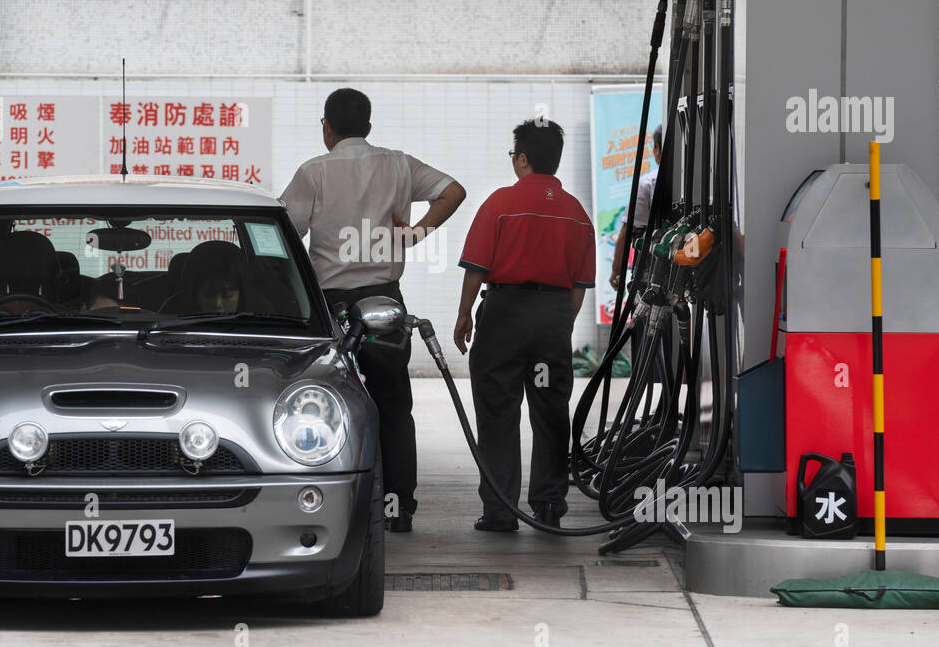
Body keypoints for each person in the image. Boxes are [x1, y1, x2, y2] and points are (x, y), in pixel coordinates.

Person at [280, 88, 466, 532]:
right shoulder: (399, 164)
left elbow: (288, 235)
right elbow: (453, 191)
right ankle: (398, 506)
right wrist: (417, 233)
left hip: (332, 307)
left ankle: (328, 501)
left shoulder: (313, 172)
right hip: (385, 300)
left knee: (324, 404)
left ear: (327, 127)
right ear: (368, 127)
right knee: (393, 402)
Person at [454, 119, 595, 531]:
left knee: (498, 409)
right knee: (550, 410)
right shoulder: (576, 213)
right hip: (552, 315)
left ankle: (500, 511)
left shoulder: (500, 203)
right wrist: (558, 325)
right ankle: (549, 506)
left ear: (523, 159)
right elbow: (579, 286)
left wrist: (464, 314)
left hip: (504, 313)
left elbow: (476, 268)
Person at [611, 124, 663, 292]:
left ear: (656, 148)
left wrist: (616, 271)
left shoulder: (648, 184)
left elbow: (627, 231)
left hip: (651, 271)